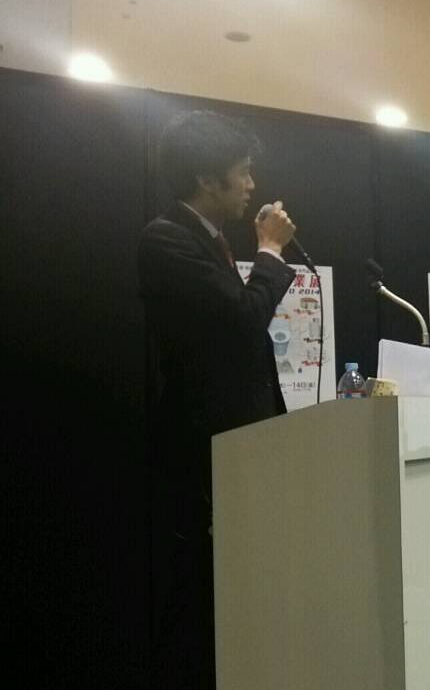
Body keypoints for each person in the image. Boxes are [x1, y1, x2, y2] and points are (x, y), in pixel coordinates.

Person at [137, 110, 297, 689]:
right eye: (243, 172)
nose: (252, 186)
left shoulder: (210, 240)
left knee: (240, 593)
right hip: (202, 455)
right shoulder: (167, 239)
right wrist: (271, 252)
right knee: (199, 600)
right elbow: (241, 321)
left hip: (239, 448)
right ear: (208, 179)